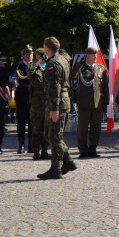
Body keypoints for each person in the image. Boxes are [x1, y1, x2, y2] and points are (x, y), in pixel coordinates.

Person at [37, 37, 76, 179]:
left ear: (47, 48)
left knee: (55, 136)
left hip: (57, 102)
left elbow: (54, 88)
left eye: (44, 46)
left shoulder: (53, 64)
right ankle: (68, 161)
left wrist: (54, 109)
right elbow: (65, 53)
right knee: (50, 134)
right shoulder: (64, 59)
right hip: (63, 100)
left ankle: (56, 168)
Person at [73, 46, 108, 158]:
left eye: (96, 55)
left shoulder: (101, 68)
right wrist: (79, 64)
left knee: (96, 129)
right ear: (87, 56)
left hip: (97, 104)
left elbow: (104, 88)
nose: (95, 57)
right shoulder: (81, 69)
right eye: (92, 55)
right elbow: (71, 76)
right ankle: (83, 150)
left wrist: (105, 104)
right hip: (84, 104)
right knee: (82, 129)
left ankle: (93, 149)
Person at [28, 48, 49, 160]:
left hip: (47, 103)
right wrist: (38, 61)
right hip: (37, 104)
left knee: (46, 128)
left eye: (44, 55)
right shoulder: (34, 69)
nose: (44, 57)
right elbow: (30, 70)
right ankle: (36, 151)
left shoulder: (49, 67)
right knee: (36, 129)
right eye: (41, 55)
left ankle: (45, 151)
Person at [12, 46, 34, 153]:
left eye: (31, 54)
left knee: (32, 123)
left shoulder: (36, 65)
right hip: (21, 97)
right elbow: (12, 75)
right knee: (21, 122)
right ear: (24, 56)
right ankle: (21, 144)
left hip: (33, 97)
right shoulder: (19, 66)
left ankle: (31, 145)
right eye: (27, 54)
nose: (29, 56)